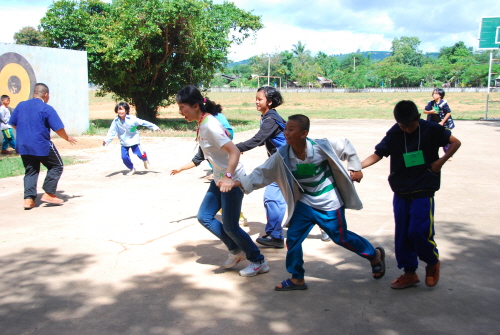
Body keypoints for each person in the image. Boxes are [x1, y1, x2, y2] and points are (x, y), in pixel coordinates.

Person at [232, 114, 385, 290]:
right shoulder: (282, 154)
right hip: (305, 203)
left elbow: (345, 145)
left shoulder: (320, 147)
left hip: (328, 203)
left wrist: (356, 168)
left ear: (304, 133)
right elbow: (263, 172)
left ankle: (374, 255)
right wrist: (237, 182)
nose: (286, 133)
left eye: (291, 129)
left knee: (341, 237)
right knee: (293, 237)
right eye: (285, 129)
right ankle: (297, 278)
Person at [361, 100, 461, 289]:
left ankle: (432, 262)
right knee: (403, 234)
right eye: (403, 126)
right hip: (401, 190)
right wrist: (358, 167)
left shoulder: (431, 129)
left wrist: (440, 162)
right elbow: (378, 153)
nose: (407, 130)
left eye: (411, 126)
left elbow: (455, 142)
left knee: (418, 231)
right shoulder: (395, 132)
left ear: (418, 118)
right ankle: (409, 273)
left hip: (423, 189)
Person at [171, 85, 269, 277]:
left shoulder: (211, 125)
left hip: (231, 180)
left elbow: (234, 152)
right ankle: (236, 250)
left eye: (183, 107)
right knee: (204, 216)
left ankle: (258, 261)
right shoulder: (202, 123)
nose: (180, 112)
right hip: (219, 178)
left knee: (231, 226)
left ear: (196, 105)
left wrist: (229, 176)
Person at [234, 86, 288, 248]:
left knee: (274, 198)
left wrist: (237, 148)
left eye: (260, 99)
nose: (256, 102)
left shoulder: (271, 119)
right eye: (256, 99)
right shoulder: (268, 117)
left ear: (269, 102)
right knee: (293, 197)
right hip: (281, 162)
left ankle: (276, 236)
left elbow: (258, 139)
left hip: (286, 163)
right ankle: (275, 235)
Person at [8, 83, 77, 209]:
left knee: (31, 169)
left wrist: (26, 133)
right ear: (46, 95)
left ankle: (28, 199)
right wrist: (67, 138)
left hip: (23, 145)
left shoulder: (21, 105)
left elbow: (13, 123)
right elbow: (58, 128)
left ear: (34, 93)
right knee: (57, 165)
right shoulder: (46, 108)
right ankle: (49, 193)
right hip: (40, 144)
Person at [102, 102, 159, 175]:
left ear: (126, 111)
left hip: (134, 140)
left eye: (122, 110)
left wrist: (154, 127)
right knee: (124, 157)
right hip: (124, 142)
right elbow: (112, 131)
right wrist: (106, 140)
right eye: (119, 110)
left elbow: (143, 122)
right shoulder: (116, 121)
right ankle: (132, 168)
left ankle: (144, 159)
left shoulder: (132, 118)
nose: (120, 111)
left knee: (141, 155)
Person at [423, 88, 455, 154]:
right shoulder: (431, 103)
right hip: (433, 124)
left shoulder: (443, 103)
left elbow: (448, 113)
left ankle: (448, 154)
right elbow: (424, 112)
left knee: (445, 138)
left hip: (444, 124)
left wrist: (442, 122)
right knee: (432, 138)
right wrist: (430, 112)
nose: (433, 95)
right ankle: (431, 153)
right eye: (433, 93)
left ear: (440, 95)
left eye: (435, 93)